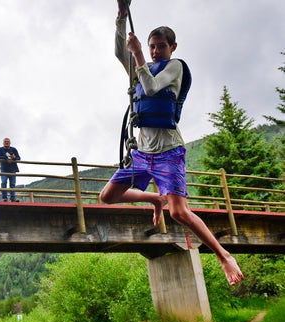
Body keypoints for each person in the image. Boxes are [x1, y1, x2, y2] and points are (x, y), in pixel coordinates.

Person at [99, 1, 243, 286]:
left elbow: (152, 87)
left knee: (178, 212)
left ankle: (223, 255)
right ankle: (155, 197)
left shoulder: (174, 67)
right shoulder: (141, 68)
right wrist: (121, 17)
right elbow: (119, 51)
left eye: (161, 46)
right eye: (151, 46)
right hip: (142, 153)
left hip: (168, 153)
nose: (155, 51)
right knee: (107, 196)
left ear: (172, 47)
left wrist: (138, 54)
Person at [0, 137, 21, 202]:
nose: (6, 143)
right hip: (4, 169)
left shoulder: (13, 149)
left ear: (10, 143)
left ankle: (13, 198)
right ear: (3, 143)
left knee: (12, 184)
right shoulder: (0, 149)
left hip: (12, 169)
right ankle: (4, 198)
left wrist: (14, 157)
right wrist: (5, 158)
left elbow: (18, 158)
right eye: (5, 142)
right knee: (4, 183)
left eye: (8, 142)